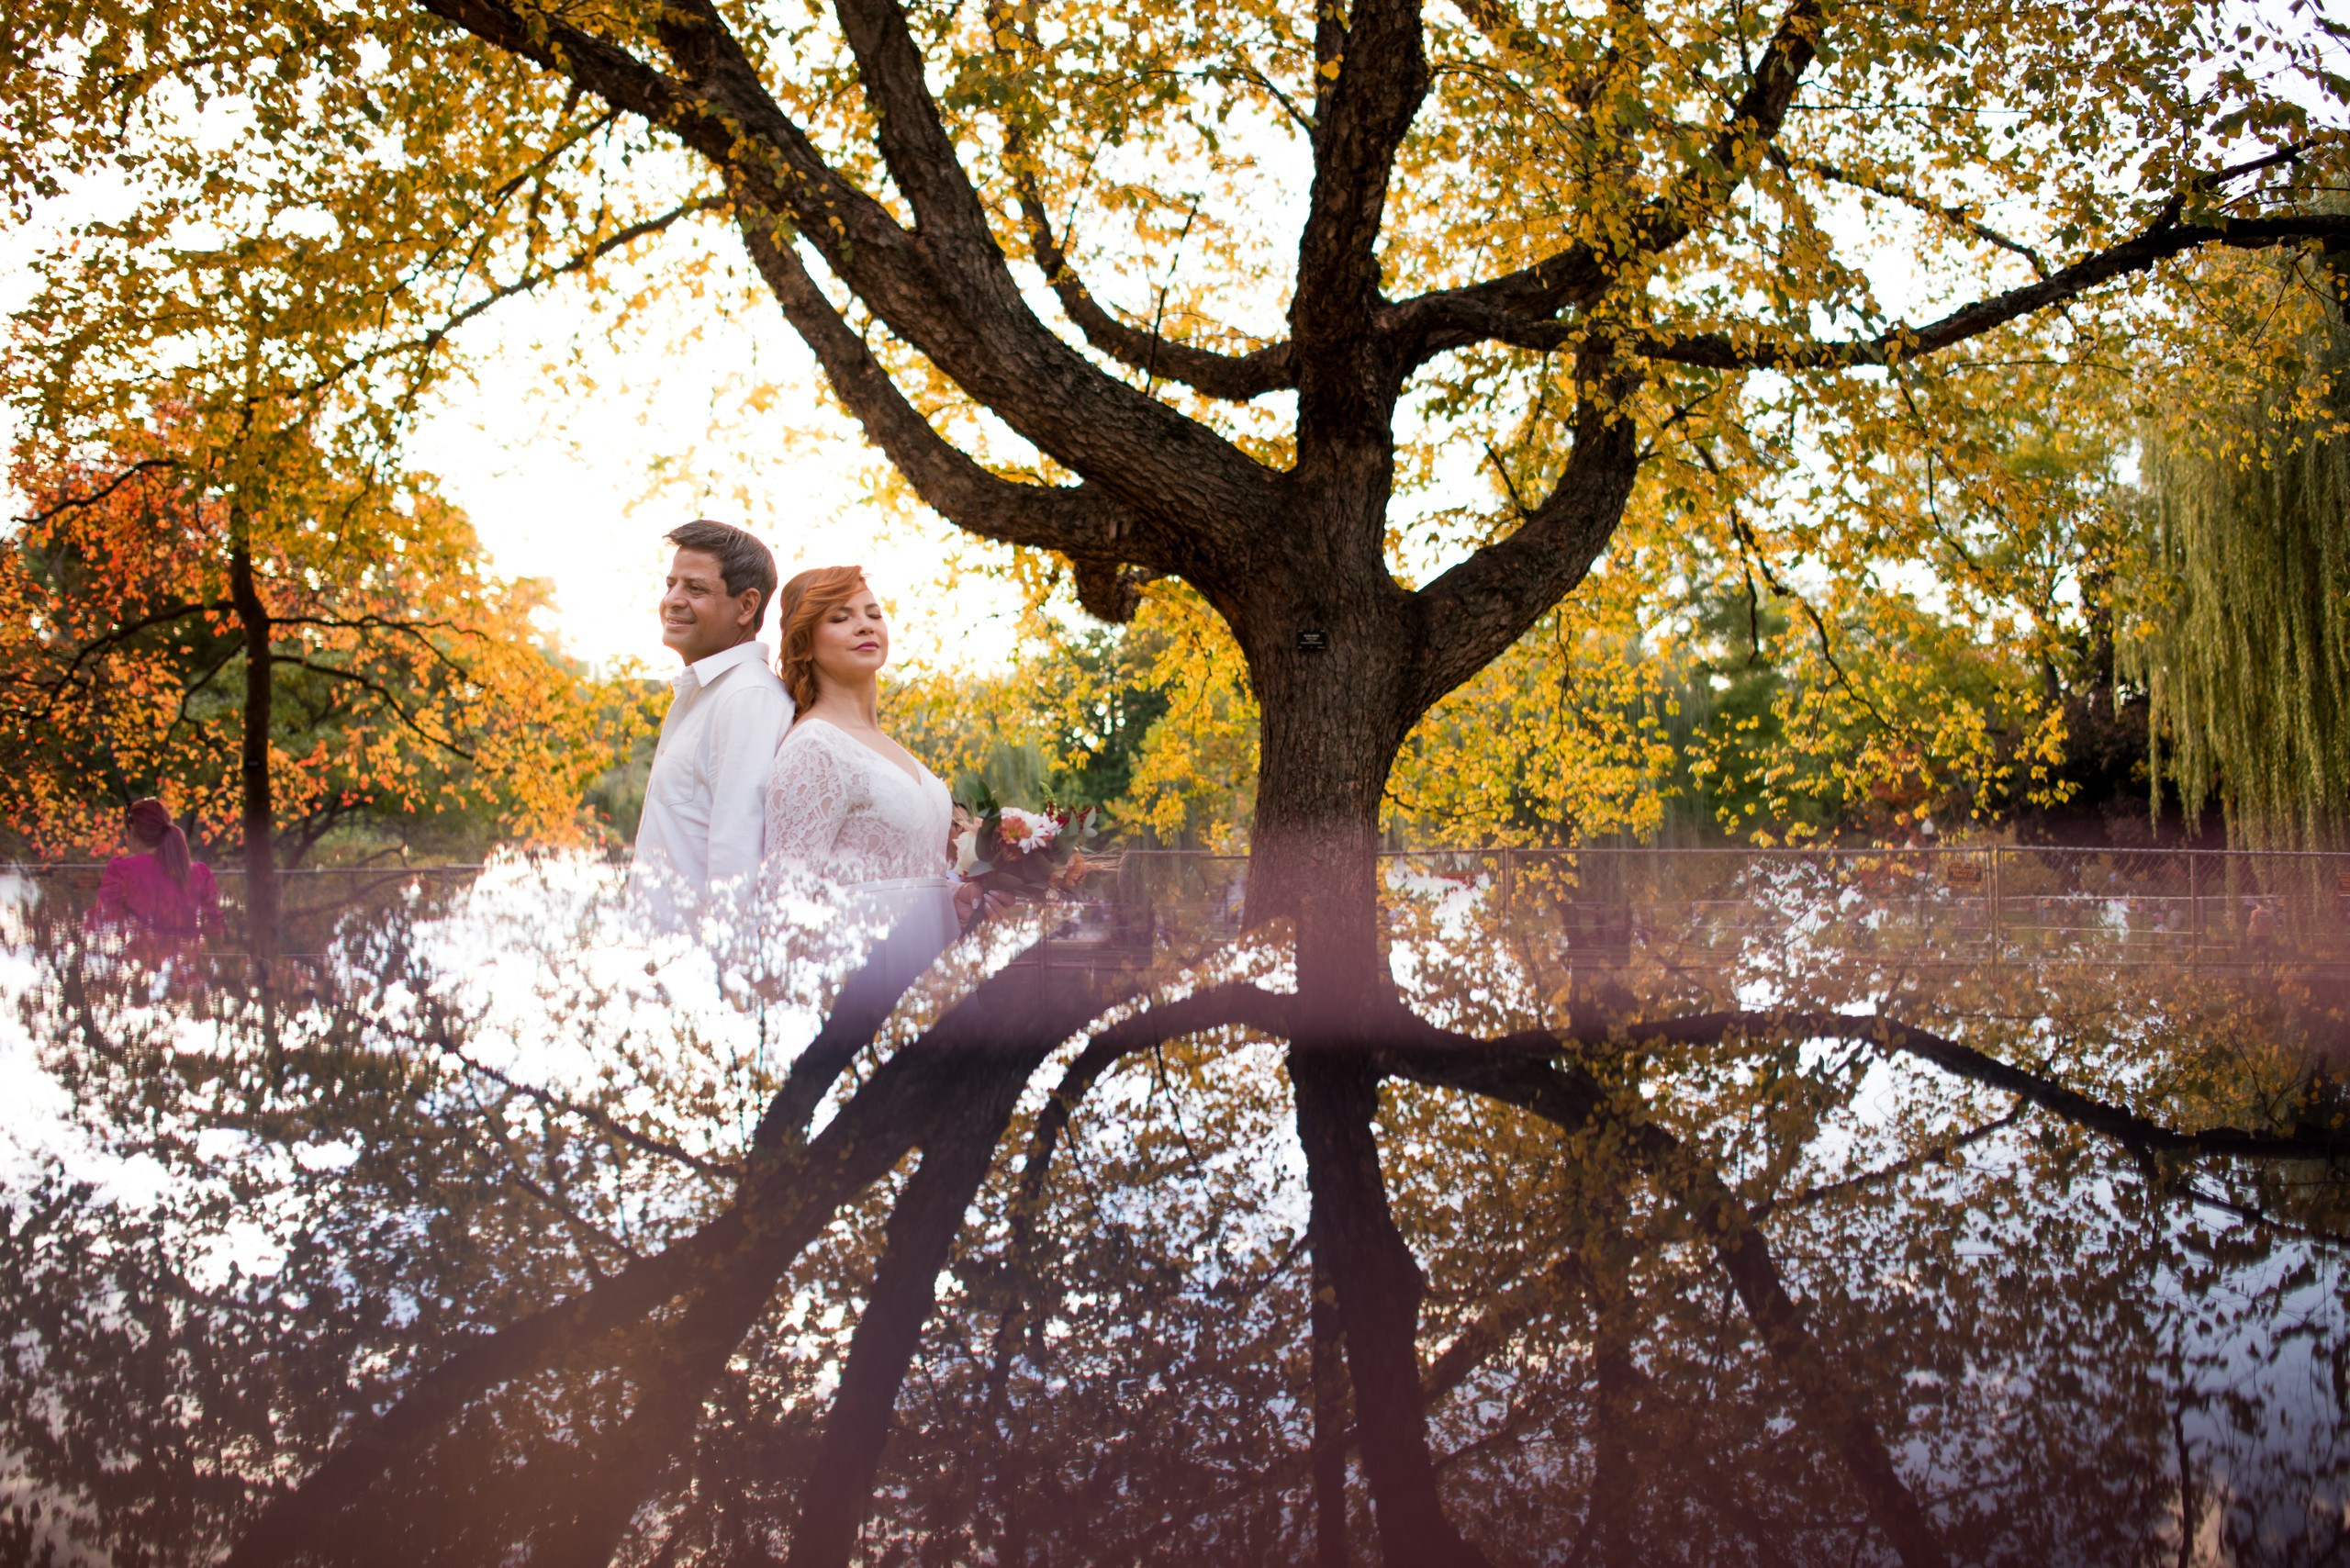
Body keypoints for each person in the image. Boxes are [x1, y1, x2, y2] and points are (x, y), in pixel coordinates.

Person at [763, 567, 997, 973]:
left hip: (934, 973)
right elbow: (786, 907)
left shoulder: (888, 746)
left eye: (873, 613)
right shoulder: (815, 748)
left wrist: (951, 898)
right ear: (803, 645)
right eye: (840, 618)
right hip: (862, 981)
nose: (863, 626)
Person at [632, 521, 795, 906]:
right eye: (670, 584)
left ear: (747, 606)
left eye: (695, 588)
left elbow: (737, 865)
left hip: (700, 961)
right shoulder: (706, 696)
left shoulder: (747, 698)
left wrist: (723, 965)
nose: (672, 599)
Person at [92, 798, 218, 938]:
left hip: (135, 956)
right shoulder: (199, 873)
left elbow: (105, 921)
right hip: (187, 957)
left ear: (132, 830)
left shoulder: (122, 870)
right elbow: (214, 927)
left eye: (125, 831)